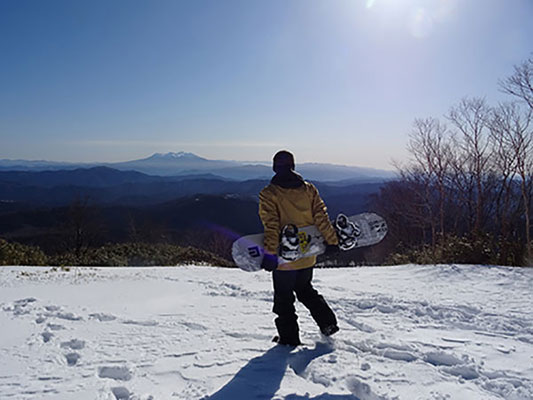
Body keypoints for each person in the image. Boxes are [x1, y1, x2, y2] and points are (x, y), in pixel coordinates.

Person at [259, 150, 340, 346]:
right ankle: (328, 323)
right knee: (305, 289)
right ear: (293, 166)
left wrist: (270, 253)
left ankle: (289, 339)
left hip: (285, 258)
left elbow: (272, 226)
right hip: (308, 254)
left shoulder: (269, 193)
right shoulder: (309, 189)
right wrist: (332, 240)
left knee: (284, 299)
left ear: (274, 167)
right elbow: (321, 217)